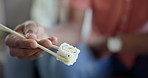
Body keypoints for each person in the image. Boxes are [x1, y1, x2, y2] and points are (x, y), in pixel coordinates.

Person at [5, 0, 148, 78]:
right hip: (98, 49)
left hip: (139, 55)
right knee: (18, 49)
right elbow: (73, 27)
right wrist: (42, 34)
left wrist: (110, 44)